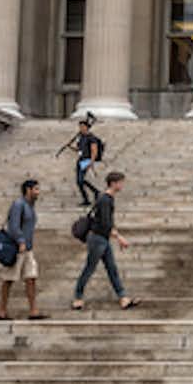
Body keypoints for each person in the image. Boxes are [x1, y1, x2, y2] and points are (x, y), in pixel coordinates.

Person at [70, 170, 135, 311]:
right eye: (120, 182)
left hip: (102, 238)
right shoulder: (105, 199)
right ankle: (77, 297)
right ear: (113, 183)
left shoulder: (106, 198)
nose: (122, 185)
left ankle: (123, 297)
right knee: (90, 268)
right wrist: (119, 238)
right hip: (98, 238)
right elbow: (105, 224)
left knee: (112, 268)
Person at [0, 178, 44, 321]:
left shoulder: (30, 206)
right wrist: (21, 241)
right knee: (9, 279)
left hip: (28, 249)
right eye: (36, 189)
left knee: (31, 278)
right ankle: (2, 311)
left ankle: (33, 311)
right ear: (28, 190)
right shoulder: (18, 204)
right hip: (18, 248)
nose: (38, 192)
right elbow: (13, 226)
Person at [57, 113, 104, 207]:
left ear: (87, 127)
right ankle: (93, 193)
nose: (81, 128)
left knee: (80, 180)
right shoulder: (81, 137)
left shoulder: (92, 138)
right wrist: (70, 147)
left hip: (86, 160)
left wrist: (91, 162)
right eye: (80, 127)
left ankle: (91, 195)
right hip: (80, 159)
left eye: (83, 126)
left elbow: (94, 151)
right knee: (79, 181)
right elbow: (80, 150)